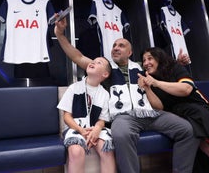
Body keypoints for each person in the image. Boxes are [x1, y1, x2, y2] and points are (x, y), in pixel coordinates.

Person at [54, 16, 200, 173]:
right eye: (114, 45)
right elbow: (77, 56)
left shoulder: (141, 67)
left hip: (150, 113)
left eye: (121, 46)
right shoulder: (105, 69)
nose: (116, 47)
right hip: (124, 117)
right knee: (121, 134)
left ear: (130, 52)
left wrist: (178, 63)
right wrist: (60, 34)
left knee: (187, 130)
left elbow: (164, 71)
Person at [138, 47, 209, 173]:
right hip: (182, 118)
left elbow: (186, 89)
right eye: (144, 60)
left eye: (150, 58)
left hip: (200, 112)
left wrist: (157, 83)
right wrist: (148, 88)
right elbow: (160, 107)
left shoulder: (175, 68)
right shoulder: (149, 80)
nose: (146, 63)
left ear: (159, 58)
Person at [57, 56, 116, 173]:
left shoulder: (104, 94)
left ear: (105, 74)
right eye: (93, 61)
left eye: (98, 63)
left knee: (107, 149)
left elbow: (102, 119)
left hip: (95, 128)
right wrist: (81, 130)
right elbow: (66, 117)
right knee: (76, 151)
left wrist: (97, 130)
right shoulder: (73, 88)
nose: (93, 62)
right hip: (75, 127)